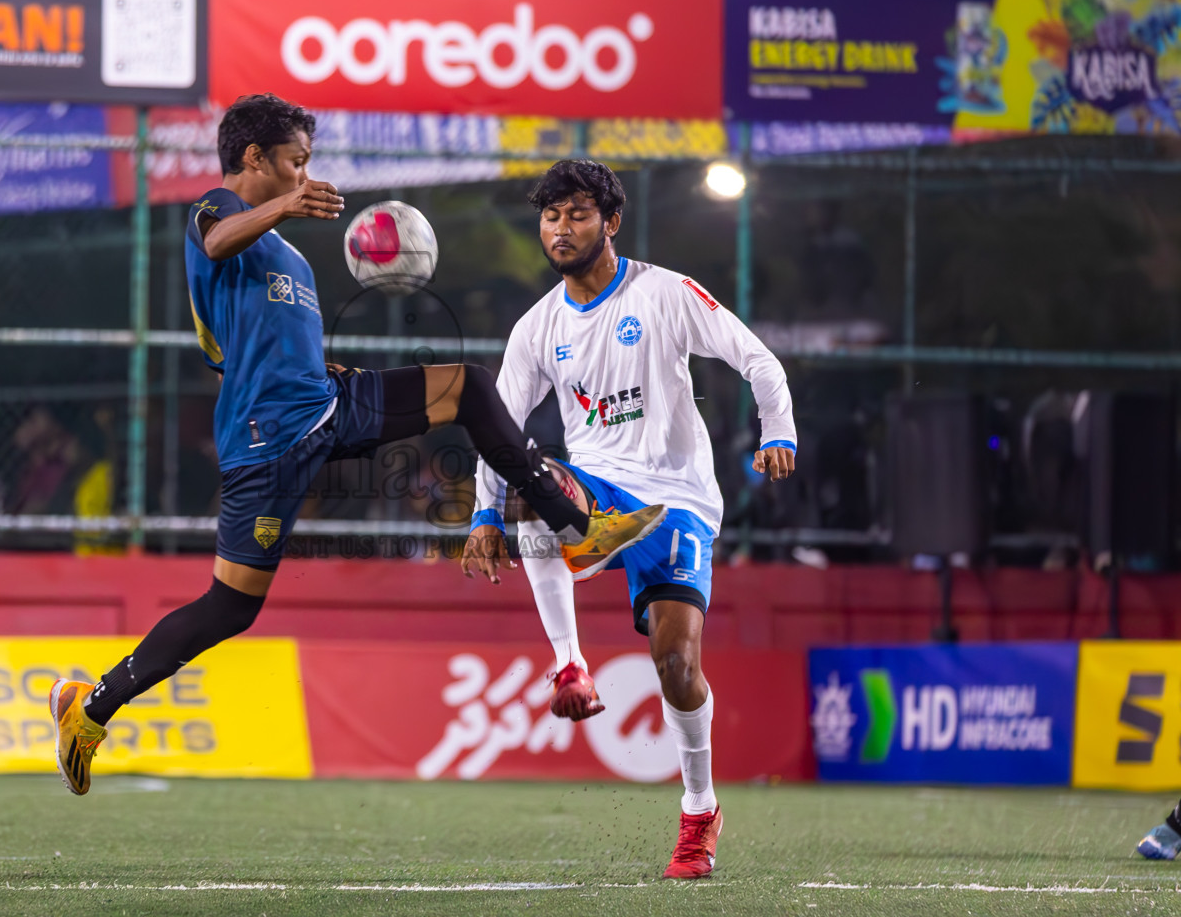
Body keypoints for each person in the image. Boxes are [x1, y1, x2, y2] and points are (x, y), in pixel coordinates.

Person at [49, 95, 664, 796]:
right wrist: (282, 208)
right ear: (255, 160)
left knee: (467, 385)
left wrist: (319, 368)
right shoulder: (216, 214)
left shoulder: (284, 255)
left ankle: (574, 527)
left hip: (324, 407)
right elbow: (217, 247)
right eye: (295, 162)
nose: (305, 174)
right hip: (266, 438)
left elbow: (266, 341)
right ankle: (89, 709)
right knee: (231, 607)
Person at [459, 159, 797, 881]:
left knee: (677, 668)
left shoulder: (664, 292)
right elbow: (497, 426)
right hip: (597, 494)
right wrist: (484, 510)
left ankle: (700, 810)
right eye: (550, 216)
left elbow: (760, 362)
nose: (561, 228)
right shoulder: (538, 327)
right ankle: (569, 665)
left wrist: (779, 432)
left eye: (577, 214)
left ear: (611, 222)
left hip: (676, 503)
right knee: (533, 478)